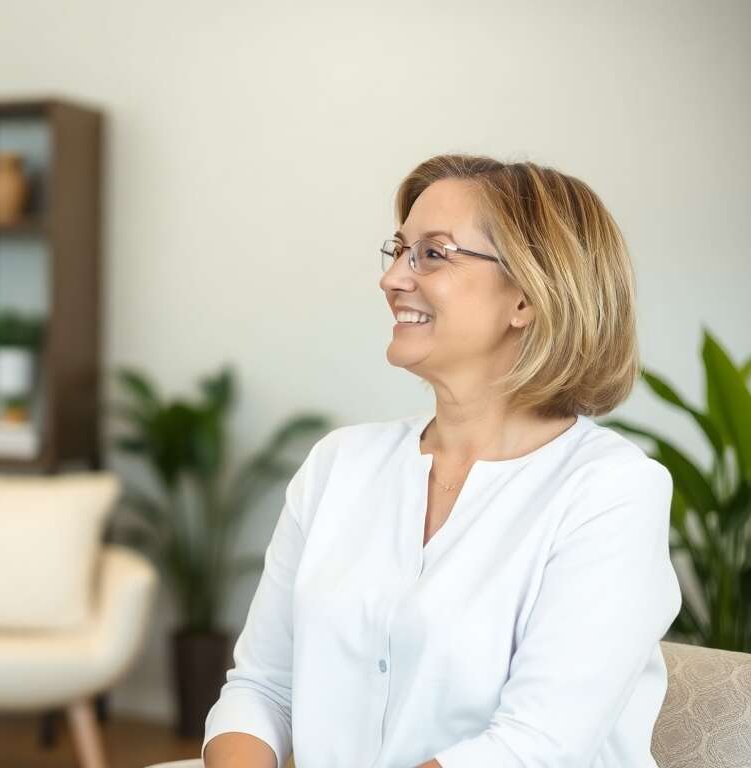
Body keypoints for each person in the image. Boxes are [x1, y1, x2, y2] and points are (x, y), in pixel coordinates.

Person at [203, 154, 679, 767]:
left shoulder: (612, 491)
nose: (393, 278)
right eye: (398, 251)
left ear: (528, 297)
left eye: (433, 253)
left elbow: (533, 747)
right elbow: (262, 689)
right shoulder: (339, 464)